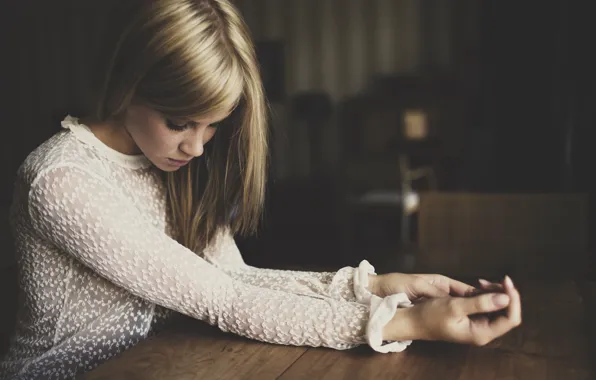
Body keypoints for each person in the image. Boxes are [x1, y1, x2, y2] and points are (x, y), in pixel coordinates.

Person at [0, 0, 521, 378]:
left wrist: (380, 287)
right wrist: (404, 323)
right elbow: (222, 300)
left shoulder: (170, 163)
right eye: (180, 122)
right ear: (126, 84)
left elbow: (236, 278)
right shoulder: (61, 180)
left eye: (213, 126)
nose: (197, 148)